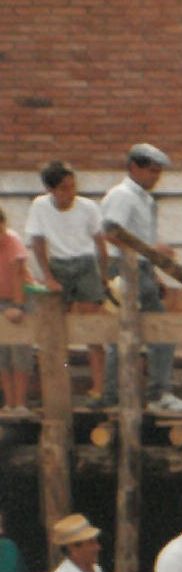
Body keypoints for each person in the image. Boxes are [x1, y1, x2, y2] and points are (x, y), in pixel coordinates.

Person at [98, 145, 182, 413]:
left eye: (158, 172)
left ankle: (154, 393)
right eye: (152, 171)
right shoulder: (123, 196)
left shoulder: (144, 199)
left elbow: (133, 238)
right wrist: (151, 251)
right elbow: (111, 233)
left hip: (140, 269)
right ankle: (120, 395)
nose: (156, 177)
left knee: (158, 330)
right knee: (126, 332)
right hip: (124, 269)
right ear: (134, 168)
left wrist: (152, 270)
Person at [25, 162, 109, 403]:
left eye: (73, 186)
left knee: (92, 328)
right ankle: (56, 386)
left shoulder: (88, 207)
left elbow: (100, 243)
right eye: (64, 188)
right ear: (51, 190)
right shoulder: (40, 207)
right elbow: (38, 242)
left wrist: (102, 275)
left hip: (85, 263)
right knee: (55, 329)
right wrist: (48, 276)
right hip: (58, 263)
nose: (70, 192)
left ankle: (99, 387)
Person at [0, 205, 30, 412]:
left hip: (18, 299)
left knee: (19, 352)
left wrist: (18, 306)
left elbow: (18, 273)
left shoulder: (12, 240)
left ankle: (20, 403)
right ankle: (9, 403)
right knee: (2, 355)